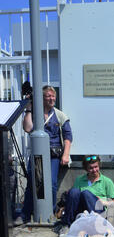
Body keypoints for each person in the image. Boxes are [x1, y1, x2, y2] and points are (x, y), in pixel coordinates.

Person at [14, 85, 73, 225]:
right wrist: (29, 107)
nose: (51, 99)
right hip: (37, 155)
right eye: (48, 96)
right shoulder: (35, 114)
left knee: (51, 184)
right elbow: (28, 128)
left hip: (53, 155)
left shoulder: (59, 115)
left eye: (53, 96)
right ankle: (25, 214)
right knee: (33, 184)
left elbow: (68, 136)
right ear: (42, 98)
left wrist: (66, 154)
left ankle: (50, 213)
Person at [53, 155, 114, 235]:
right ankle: (67, 225)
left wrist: (104, 202)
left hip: (98, 211)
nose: (94, 170)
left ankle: (97, 226)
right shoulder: (79, 179)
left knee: (86, 193)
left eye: (96, 167)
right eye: (91, 168)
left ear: (99, 166)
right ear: (86, 169)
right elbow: (73, 198)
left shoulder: (107, 181)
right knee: (74, 191)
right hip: (81, 211)